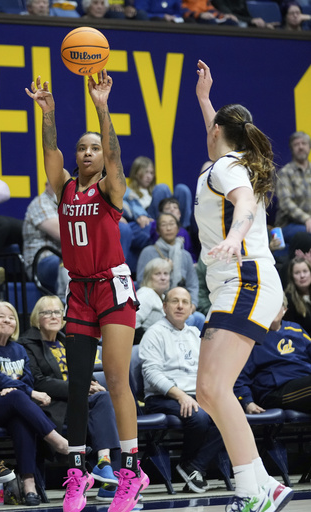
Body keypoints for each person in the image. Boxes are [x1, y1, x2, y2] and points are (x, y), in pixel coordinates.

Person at [25, 69, 148, 512]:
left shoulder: (111, 190)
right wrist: (48, 113)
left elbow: (116, 157)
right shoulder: (65, 187)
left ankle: (132, 471)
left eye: (94, 147)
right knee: (78, 384)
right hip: (79, 291)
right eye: (83, 147)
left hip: (113, 287)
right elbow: (49, 151)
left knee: (116, 378)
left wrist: (101, 106)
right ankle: (78, 473)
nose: (89, 152)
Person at [193, 60, 293, 512]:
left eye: (210, 126)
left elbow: (246, 202)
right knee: (212, 391)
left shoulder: (224, 170)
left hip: (244, 278)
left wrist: (235, 236)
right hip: (239, 282)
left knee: (212, 390)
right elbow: (218, 139)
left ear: (217, 133)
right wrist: (204, 99)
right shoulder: (226, 161)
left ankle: (251, 492)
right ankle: (262, 483)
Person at [18, 295, 121, 503]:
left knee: (103, 397)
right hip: (54, 404)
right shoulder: (27, 344)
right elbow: (39, 381)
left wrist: (93, 384)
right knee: (98, 407)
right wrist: (80, 389)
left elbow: (83, 372)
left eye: (57, 312)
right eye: (46, 312)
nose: (53, 316)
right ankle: (108, 477)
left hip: (78, 400)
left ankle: (104, 463)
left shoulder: (68, 340)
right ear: (37, 319)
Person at [0, 301, 69, 506]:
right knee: (17, 398)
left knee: (20, 417)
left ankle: (29, 483)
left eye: (12, 317)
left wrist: (16, 388)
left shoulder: (18, 349)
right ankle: (58, 441)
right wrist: (21, 390)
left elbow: (28, 380)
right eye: (1, 316)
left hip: (11, 404)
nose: (7, 320)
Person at [139, 287, 224, 492]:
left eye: (185, 302)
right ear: (164, 306)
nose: (180, 306)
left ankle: (194, 467)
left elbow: (206, 368)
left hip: (195, 395)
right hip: (163, 397)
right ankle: (189, 465)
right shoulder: (154, 333)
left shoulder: (194, 333)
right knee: (200, 417)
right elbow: (151, 373)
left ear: (191, 308)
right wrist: (181, 396)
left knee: (229, 415)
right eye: (175, 301)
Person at [234, 295, 311, 414]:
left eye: (276, 305)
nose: (272, 309)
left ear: (284, 309)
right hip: (275, 391)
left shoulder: (296, 329)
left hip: (304, 383)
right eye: (268, 306)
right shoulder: (251, 337)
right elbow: (238, 376)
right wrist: (247, 401)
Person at [136, 212, 205, 331]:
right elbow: (142, 281)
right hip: (159, 302)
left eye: (171, 224)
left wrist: (191, 306)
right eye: (164, 224)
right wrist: (166, 269)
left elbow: (193, 285)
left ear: (178, 228)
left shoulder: (185, 255)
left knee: (199, 317)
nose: (168, 228)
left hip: (182, 303)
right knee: (190, 320)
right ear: (157, 230)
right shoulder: (148, 252)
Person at [22, 181, 67, 297]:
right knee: (69, 263)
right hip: (41, 261)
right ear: (47, 185)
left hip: (62, 257)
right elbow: (64, 234)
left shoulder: (66, 204)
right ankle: (67, 303)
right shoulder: (40, 204)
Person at [275, 131, 311, 247]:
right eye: (296, 144)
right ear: (292, 149)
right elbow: (286, 203)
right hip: (289, 225)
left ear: (309, 147)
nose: (300, 147)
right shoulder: (285, 173)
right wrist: (307, 219)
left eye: (303, 143)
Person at [135, 258, 171, 343]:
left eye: (166, 274)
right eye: (157, 274)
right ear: (148, 277)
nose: (163, 278)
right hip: (143, 346)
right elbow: (133, 323)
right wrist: (149, 341)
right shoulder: (146, 294)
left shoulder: (162, 296)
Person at [149, 197, 197, 262]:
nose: (172, 210)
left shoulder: (184, 232)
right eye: (167, 208)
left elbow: (191, 253)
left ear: (179, 214)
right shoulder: (155, 226)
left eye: (175, 208)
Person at [284, 255, 311, 335]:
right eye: (297, 273)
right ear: (292, 277)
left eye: (305, 271)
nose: (302, 276)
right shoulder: (289, 300)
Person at [211, 0, 276, 27]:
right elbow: (230, 16)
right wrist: (251, 20)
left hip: (244, 24)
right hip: (228, 27)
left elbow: (247, 15)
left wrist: (263, 24)